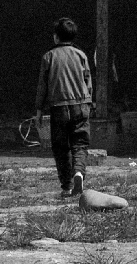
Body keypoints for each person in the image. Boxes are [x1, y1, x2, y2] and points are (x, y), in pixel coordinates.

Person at [34, 18, 93, 198]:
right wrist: (89, 104)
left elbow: (42, 86)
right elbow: (88, 82)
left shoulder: (48, 56)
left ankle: (67, 186)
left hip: (58, 108)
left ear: (56, 37)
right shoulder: (81, 55)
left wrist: (38, 110)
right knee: (80, 144)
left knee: (60, 148)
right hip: (80, 105)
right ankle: (78, 172)